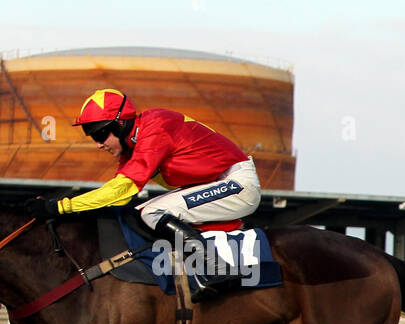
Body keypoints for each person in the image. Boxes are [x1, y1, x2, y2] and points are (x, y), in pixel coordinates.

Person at [24, 89, 262, 301]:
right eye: (91, 136)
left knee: (152, 211)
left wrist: (61, 207)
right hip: (217, 182)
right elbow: (116, 194)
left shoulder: (154, 128)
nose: (98, 144)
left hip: (237, 183)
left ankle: (215, 268)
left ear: (119, 124)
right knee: (140, 214)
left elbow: (121, 191)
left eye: (99, 135)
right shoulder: (133, 145)